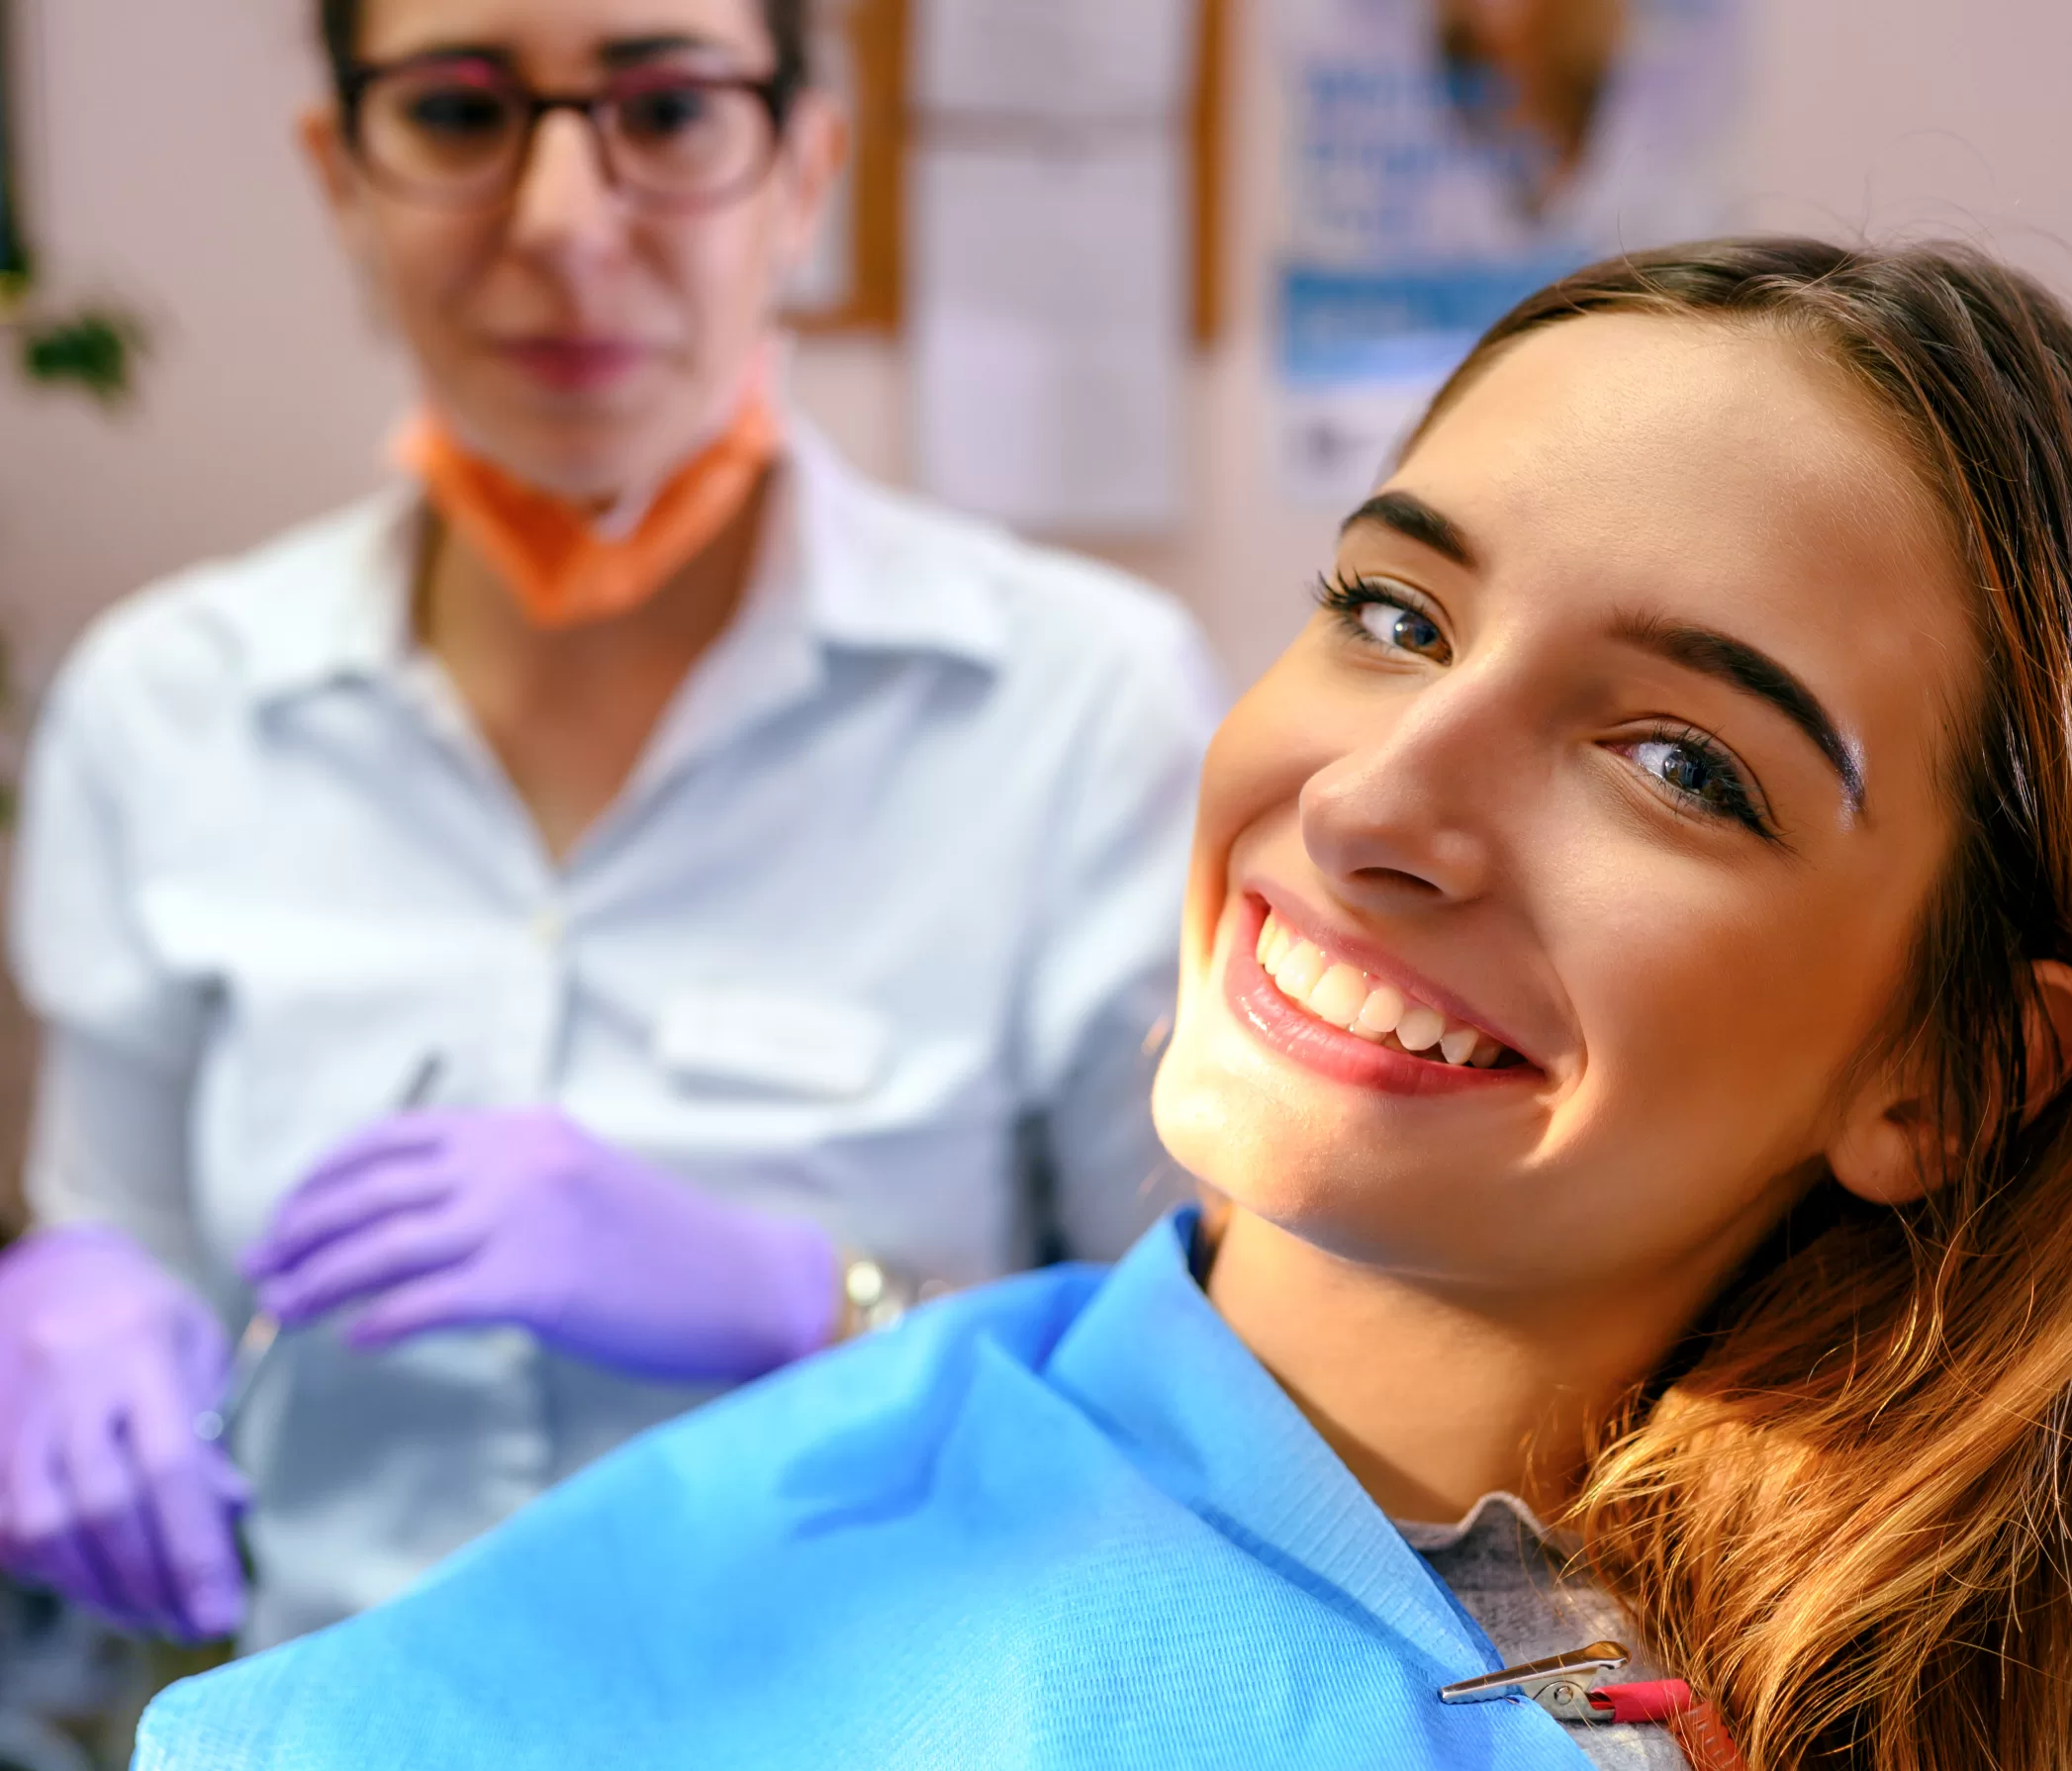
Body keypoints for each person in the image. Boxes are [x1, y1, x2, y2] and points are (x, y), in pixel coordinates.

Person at [95, 237, 2072, 1771]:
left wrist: (801, 1292)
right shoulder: (1107, 1396)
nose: (1370, 805)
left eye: (1677, 763)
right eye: (1396, 616)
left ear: (1945, 1079)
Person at [0, 0, 1214, 1656]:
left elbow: (1216, 1404)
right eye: (457, 111)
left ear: (802, 173)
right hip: (319, 1741)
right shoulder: (162, 707)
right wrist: (76, 1315)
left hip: (890, 1754)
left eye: (667, 109)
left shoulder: (1081, 709)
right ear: (342, 175)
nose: (565, 223)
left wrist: (812, 1303)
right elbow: (124, 1259)